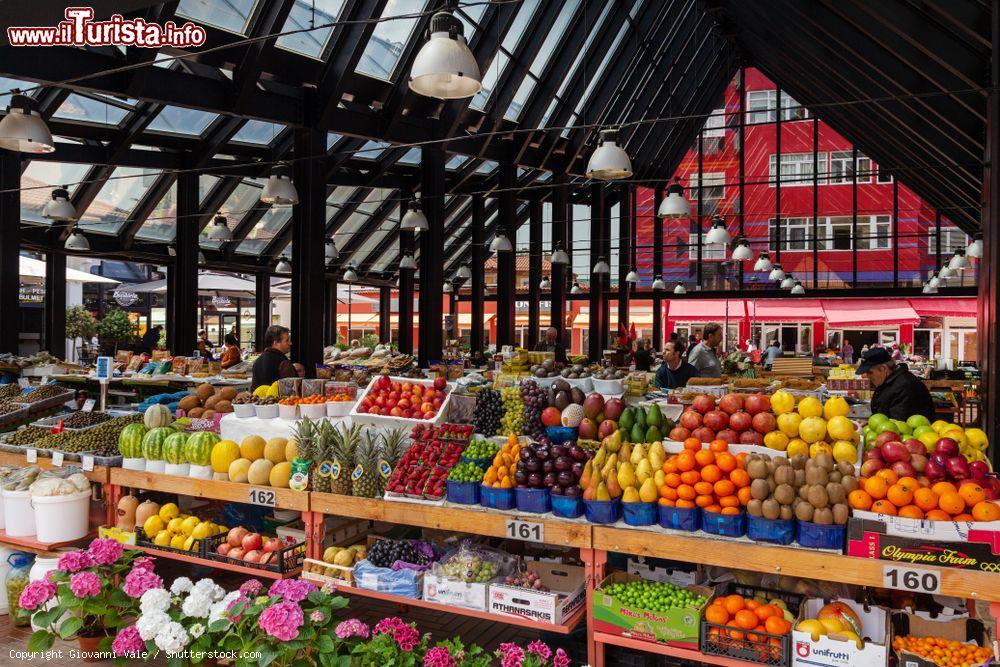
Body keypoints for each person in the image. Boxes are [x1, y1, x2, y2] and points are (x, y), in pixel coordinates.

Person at [859, 347, 935, 422]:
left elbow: (898, 423)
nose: (867, 376)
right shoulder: (888, 382)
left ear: (884, 369)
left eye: (870, 372)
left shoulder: (904, 386)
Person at [251, 325, 297, 389]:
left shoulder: (257, 361)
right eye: (287, 340)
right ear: (275, 343)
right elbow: (292, 389)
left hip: (260, 398)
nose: (290, 343)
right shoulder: (283, 362)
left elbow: (253, 387)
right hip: (279, 398)